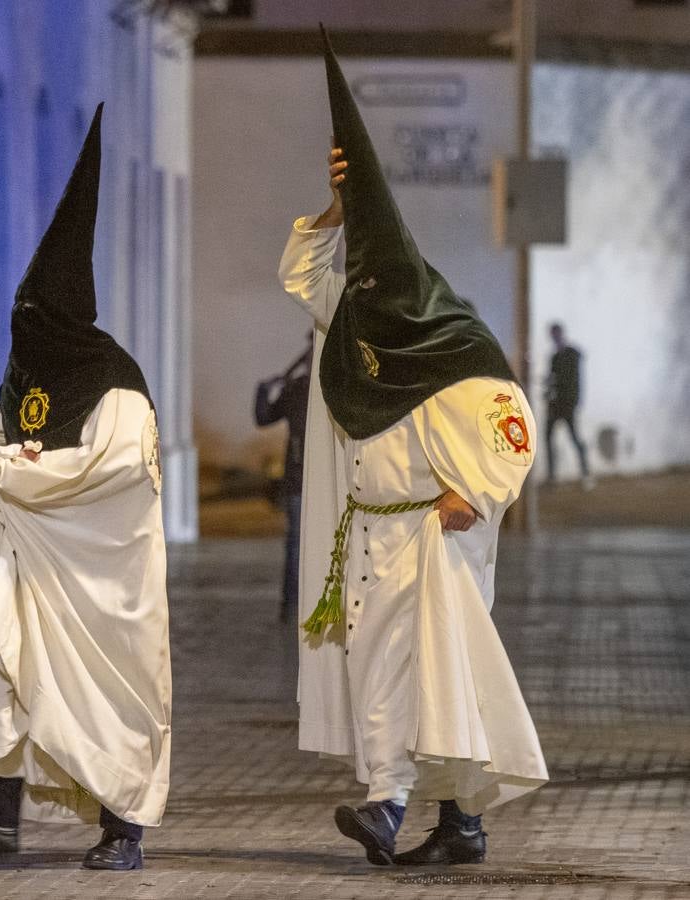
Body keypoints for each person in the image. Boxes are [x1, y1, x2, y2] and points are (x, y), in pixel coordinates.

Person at [274, 30, 548, 868]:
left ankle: (387, 805)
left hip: (432, 539)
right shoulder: (359, 327)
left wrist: (480, 495)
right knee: (415, 680)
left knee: (415, 673)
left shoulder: (449, 342)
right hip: (366, 535)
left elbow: (513, 427)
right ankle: (458, 826)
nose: (362, 299)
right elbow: (304, 274)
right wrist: (335, 208)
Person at [0, 105, 171, 872]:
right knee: (5, 684)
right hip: (32, 577)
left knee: (106, 701)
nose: (22, 328)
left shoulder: (114, 386)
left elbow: (116, 470)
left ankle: (121, 832)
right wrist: (2, 461)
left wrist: (14, 471)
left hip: (103, 588)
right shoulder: (27, 380)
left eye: (36, 315)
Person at [254, 334, 312, 623]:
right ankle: (292, 609)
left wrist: (267, 389)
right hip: (301, 482)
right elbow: (264, 417)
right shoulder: (300, 389)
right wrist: (265, 390)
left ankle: (296, 609)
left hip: (313, 483)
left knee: (298, 548)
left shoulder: (304, 388)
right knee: (297, 548)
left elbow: (264, 417)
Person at [544, 322, 594, 488]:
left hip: (567, 404)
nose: (554, 338)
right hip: (556, 404)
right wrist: (548, 391)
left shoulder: (572, 354)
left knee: (574, 438)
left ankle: (586, 474)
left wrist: (574, 400)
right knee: (549, 438)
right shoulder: (555, 357)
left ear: (561, 334)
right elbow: (552, 379)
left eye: (556, 335)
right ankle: (552, 477)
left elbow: (573, 380)